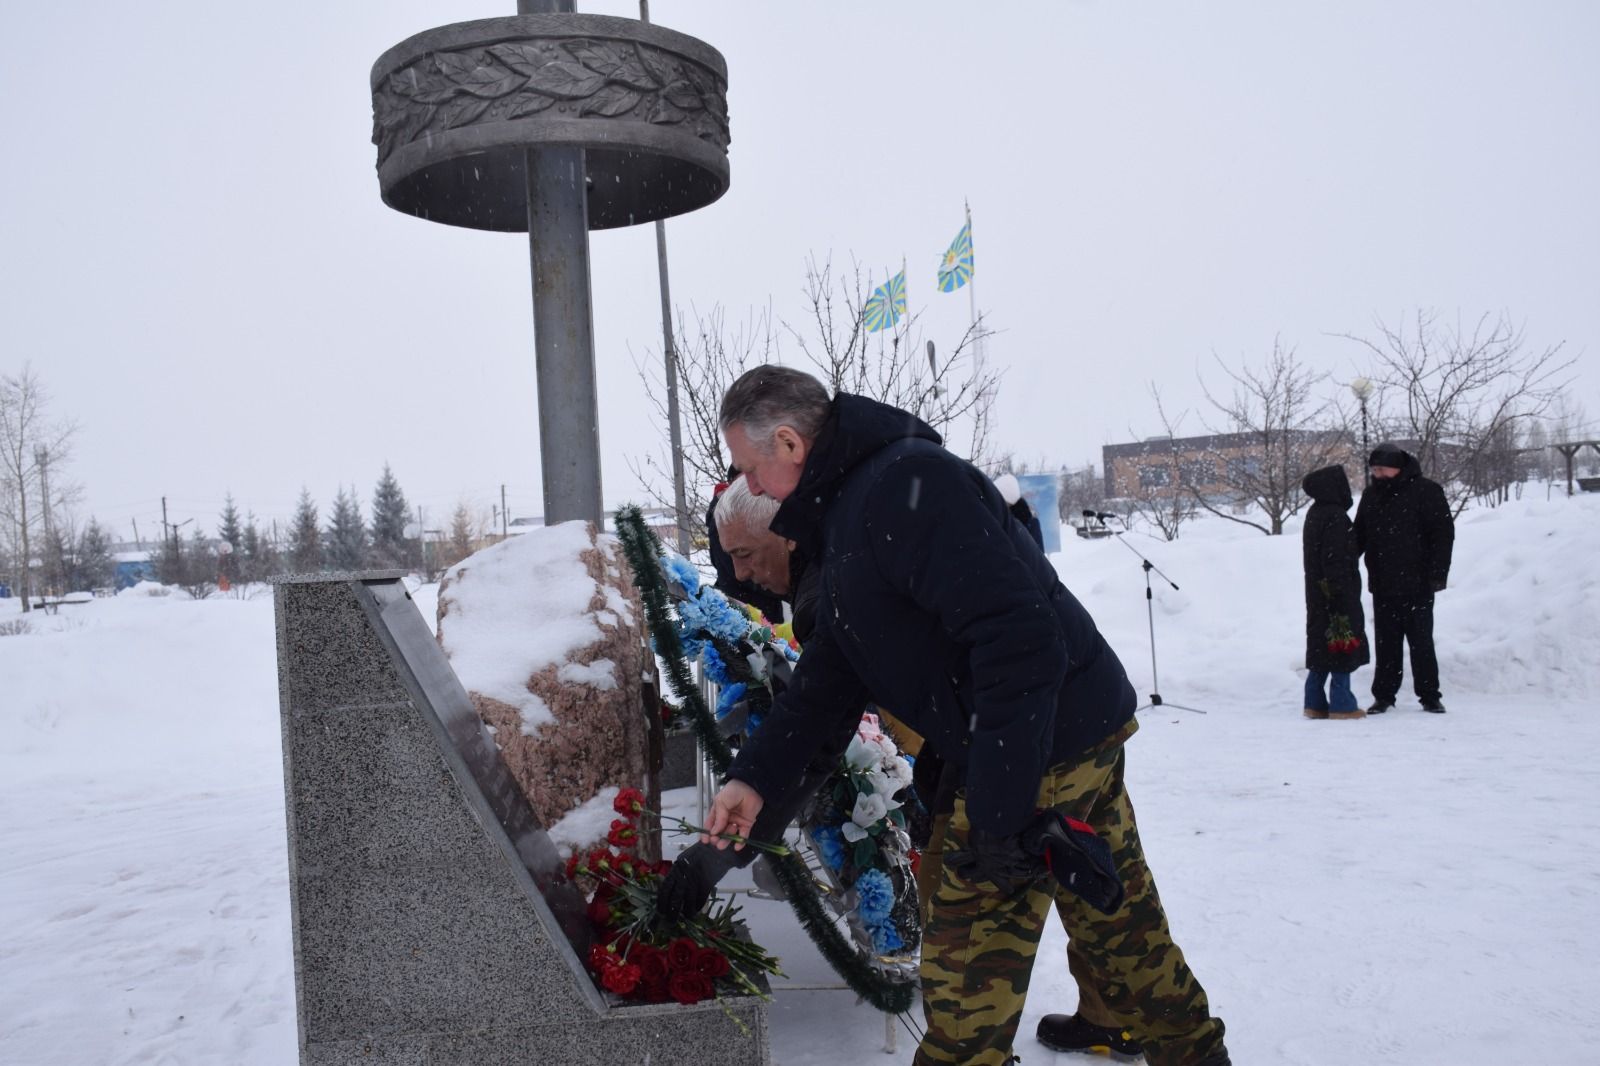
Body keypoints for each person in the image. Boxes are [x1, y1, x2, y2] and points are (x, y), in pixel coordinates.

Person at [704, 366, 1230, 1066]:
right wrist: (755, 781)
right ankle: (1194, 1053)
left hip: (1034, 743)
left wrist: (998, 811)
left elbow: (1020, 640)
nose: (753, 486)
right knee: (1121, 929)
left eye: (751, 468)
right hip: (1051, 731)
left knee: (965, 988)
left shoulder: (903, 487)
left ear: (792, 444)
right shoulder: (845, 508)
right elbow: (832, 676)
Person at [1353, 443, 1454, 714]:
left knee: (1421, 642)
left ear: (1397, 467)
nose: (1378, 474)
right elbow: (1359, 535)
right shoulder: (1371, 495)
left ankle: (1430, 695)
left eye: (1382, 469)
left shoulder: (1427, 491)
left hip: (1418, 583)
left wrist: (1437, 574)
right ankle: (1384, 695)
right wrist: (1343, 559)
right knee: (1386, 644)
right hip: (1383, 583)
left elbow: (1442, 535)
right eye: (1374, 469)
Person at [1301, 465, 1370, 720]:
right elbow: (1337, 560)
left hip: (1317, 594)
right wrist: (1341, 595)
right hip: (1336, 593)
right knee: (1342, 643)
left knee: (1321, 647)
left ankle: (1314, 702)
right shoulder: (1336, 517)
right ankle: (1342, 704)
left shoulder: (1315, 513)